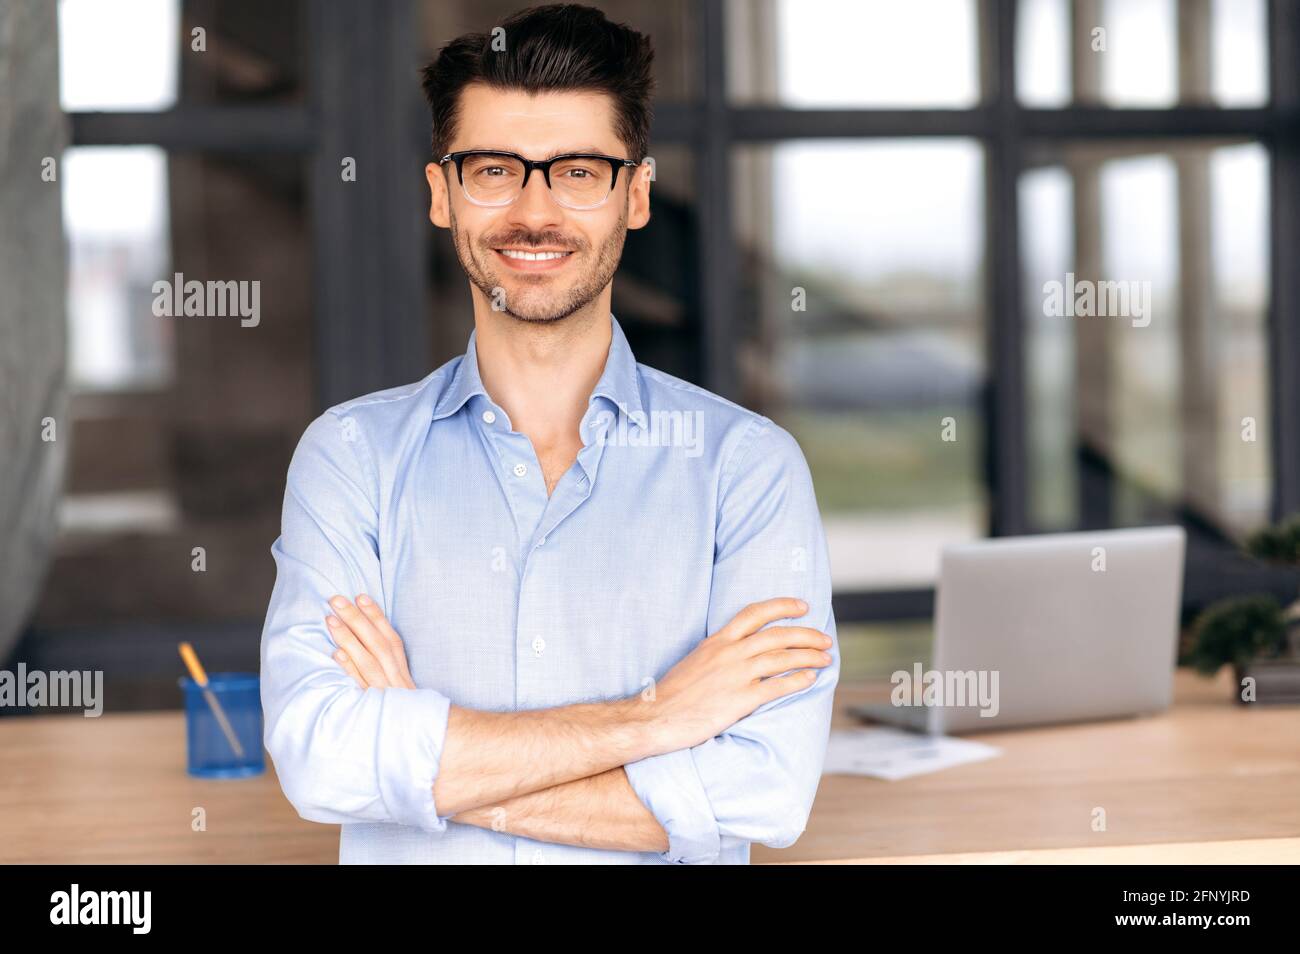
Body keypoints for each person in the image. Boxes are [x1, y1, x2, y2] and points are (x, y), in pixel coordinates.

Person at [260, 2, 839, 865]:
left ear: (634, 196)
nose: (535, 212)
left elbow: (766, 788)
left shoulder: (748, 470)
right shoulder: (350, 458)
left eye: (576, 171)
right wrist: (657, 720)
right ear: (440, 193)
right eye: (494, 169)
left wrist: (424, 760)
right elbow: (320, 757)